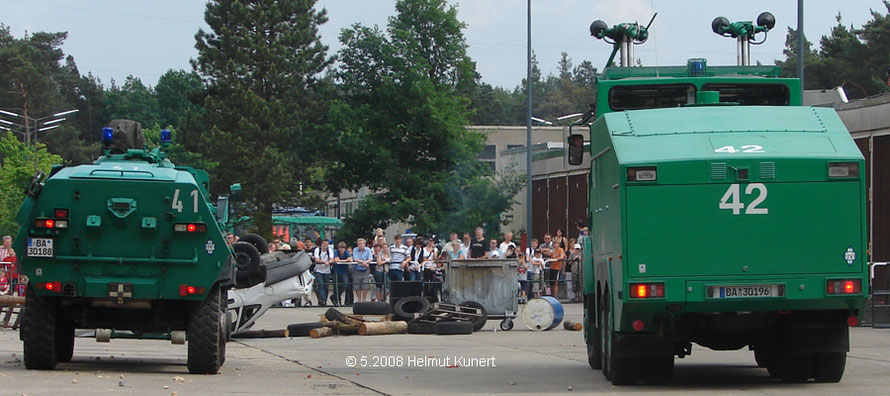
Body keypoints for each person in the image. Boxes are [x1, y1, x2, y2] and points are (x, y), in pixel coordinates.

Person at [312, 240, 334, 306]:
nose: (325, 245)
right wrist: (324, 262)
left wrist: (329, 262)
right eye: (324, 244)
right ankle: (323, 300)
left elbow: (332, 259)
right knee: (320, 285)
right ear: (321, 244)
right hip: (319, 270)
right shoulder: (317, 250)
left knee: (326, 286)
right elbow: (316, 259)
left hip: (327, 271)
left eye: (327, 244)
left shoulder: (329, 250)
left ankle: (324, 299)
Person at [351, 238, 374, 302]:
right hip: (357, 269)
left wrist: (366, 263)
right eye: (359, 244)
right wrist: (363, 262)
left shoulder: (368, 250)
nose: (361, 245)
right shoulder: (355, 250)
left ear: (364, 244)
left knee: (365, 285)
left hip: (365, 269)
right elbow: (355, 259)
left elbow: (370, 258)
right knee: (357, 285)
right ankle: (359, 299)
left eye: (362, 244)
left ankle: (364, 299)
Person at [333, 242, 353, 306]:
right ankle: (337, 300)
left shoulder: (346, 252)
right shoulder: (336, 252)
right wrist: (345, 260)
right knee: (336, 286)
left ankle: (334, 296)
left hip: (344, 271)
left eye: (343, 248)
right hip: (336, 271)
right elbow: (336, 260)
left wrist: (341, 260)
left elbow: (350, 259)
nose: (341, 249)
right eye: (340, 248)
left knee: (345, 284)